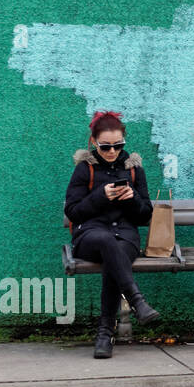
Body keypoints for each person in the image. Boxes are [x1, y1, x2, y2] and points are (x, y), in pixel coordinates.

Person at [64, 110, 157, 359]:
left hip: (125, 236)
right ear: (94, 142)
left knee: (113, 256)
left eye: (118, 145)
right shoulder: (85, 169)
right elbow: (73, 212)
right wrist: (100, 197)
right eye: (105, 147)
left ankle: (105, 334)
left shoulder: (134, 169)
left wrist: (132, 199)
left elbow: (145, 214)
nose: (112, 152)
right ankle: (137, 302)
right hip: (89, 236)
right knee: (106, 242)